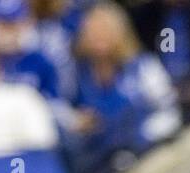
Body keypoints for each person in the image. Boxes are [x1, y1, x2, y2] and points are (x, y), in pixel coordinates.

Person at [69, 2, 181, 162]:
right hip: (102, 166)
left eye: (104, 30)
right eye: (93, 31)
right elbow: (72, 121)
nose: (99, 37)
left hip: (148, 155)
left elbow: (170, 111)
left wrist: (143, 136)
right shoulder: (78, 77)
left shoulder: (143, 68)